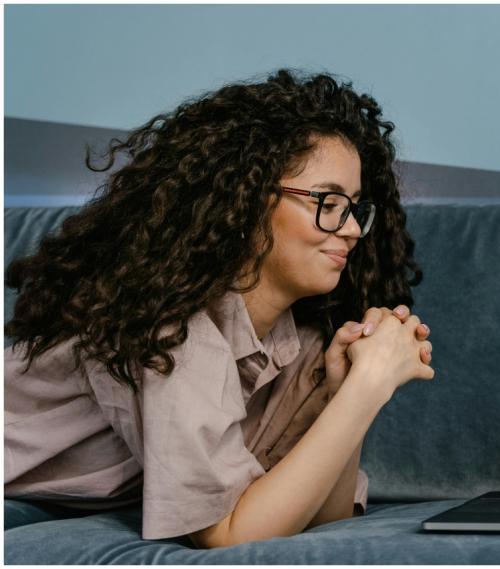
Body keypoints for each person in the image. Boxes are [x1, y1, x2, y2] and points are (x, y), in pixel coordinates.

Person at [4, 68, 435, 548]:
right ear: (247, 201)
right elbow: (227, 537)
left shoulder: (304, 345)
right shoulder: (170, 333)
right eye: (328, 202)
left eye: (354, 208)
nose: (352, 229)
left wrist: (347, 389)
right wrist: (369, 387)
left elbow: (325, 521)